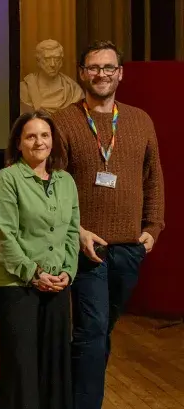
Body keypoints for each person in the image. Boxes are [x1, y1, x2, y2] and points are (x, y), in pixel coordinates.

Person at [53, 41, 164, 409]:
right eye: (93, 68)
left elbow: (153, 178)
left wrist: (153, 227)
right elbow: (51, 183)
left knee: (101, 330)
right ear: (82, 73)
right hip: (87, 246)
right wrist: (76, 231)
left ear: (120, 73)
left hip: (130, 247)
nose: (101, 74)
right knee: (91, 329)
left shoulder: (140, 119)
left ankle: (74, 391)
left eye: (108, 68)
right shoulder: (63, 120)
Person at [0, 111, 80, 409]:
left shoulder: (66, 181)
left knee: (54, 367)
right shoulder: (7, 179)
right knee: (22, 370)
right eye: (30, 136)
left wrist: (68, 272)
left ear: (53, 141)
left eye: (44, 135)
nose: (38, 141)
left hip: (57, 287)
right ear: (18, 142)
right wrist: (35, 274)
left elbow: (71, 233)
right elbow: (5, 239)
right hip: (18, 285)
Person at [20, 39, 84, 114]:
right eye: (47, 59)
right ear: (38, 61)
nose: (52, 64)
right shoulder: (25, 89)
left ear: (61, 61)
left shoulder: (73, 90)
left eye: (57, 59)